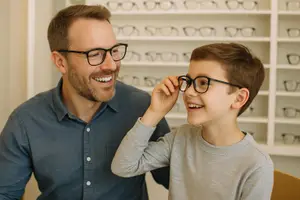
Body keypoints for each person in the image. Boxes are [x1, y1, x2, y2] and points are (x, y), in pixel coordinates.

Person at [0, 4, 170, 200]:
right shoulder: (25, 121)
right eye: (95, 54)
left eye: (114, 50)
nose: (111, 65)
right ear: (60, 62)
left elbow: (180, 179)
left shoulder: (143, 108)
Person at [111, 43, 274, 200]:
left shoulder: (256, 165)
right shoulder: (181, 138)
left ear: (239, 98)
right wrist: (155, 112)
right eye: (188, 82)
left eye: (203, 83)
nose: (188, 92)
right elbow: (123, 166)